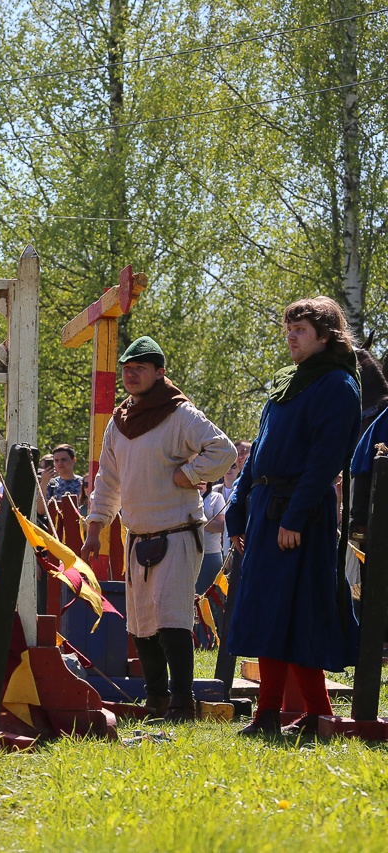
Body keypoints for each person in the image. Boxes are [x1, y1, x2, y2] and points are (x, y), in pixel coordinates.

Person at [227, 297, 362, 736]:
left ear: (325, 336)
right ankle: (267, 712)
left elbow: (325, 462)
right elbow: (258, 454)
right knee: (268, 611)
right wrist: (237, 510)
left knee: (301, 611)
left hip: (300, 514)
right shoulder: (286, 383)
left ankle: (318, 713)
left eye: (300, 330)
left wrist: (296, 517)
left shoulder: (337, 385)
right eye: (289, 329)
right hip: (268, 512)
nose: (291, 337)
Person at [82, 335, 235, 722]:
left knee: (171, 621)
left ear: (159, 372)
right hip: (138, 536)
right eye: (127, 370)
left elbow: (224, 450)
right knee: (142, 627)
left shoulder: (181, 414)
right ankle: (156, 702)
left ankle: (182, 702)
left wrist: (190, 474)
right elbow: (108, 483)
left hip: (177, 531)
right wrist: (95, 528)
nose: (131, 375)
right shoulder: (119, 423)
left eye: (140, 369)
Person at [193, 480, 228, 647]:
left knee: (212, 600)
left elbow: (220, 526)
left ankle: (213, 641)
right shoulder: (187, 495)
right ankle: (196, 640)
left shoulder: (216, 498)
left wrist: (199, 519)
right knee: (193, 600)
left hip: (211, 556)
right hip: (191, 555)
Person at [47, 444, 88, 511]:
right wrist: (44, 483)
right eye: (56, 460)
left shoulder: (83, 483)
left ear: (74, 460)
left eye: (63, 459)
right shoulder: (52, 484)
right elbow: (41, 510)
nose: (60, 463)